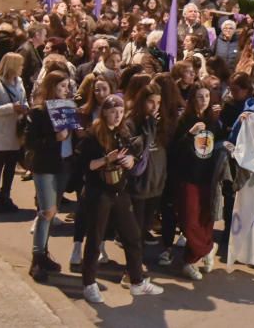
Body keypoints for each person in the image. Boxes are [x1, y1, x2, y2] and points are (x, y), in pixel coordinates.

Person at [77, 94, 163, 303]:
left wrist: (130, 161)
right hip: (98, 193)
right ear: (104, 112)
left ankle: (137, 281)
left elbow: (132, 158)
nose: (117, 116)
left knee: (132, 236)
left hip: (119, 191)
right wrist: (107, 159)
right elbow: (84, 165)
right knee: (95, 239)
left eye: (121, 112)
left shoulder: (123, 132)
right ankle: (89, 284)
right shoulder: (92, 135)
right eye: (113, 111)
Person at [26, 70, 76, 281]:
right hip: (45, 166)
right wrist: (53, 138)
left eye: (67, 86)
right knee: (46, 211)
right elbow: (30, 142)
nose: (65, 90)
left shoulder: (68, 108)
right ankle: (37, 259)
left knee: (53, 210)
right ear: (51, 87)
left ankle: (44, 253)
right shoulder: (39, 112)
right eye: (62, 86)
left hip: (63, 164)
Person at [173, 86, 222, 280]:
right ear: (192, 99)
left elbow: (219, 144)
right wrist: (190, 134)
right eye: (200, 96)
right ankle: (208, 248)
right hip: (187, 177)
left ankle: (190, 261)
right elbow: (174, 150)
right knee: (189, 220)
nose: (204, 100)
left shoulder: (214, 122)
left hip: (207, 178)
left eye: (207, 96)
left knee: (204, 220)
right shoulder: (184, 121)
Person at [127, 84, 168, 269]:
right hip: (138, 184)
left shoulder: (161, 121)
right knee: (135, 229)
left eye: (158, 102)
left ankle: (138, 260)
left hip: (156, 183)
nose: (155, 106)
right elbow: (135, 148)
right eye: (151, 102)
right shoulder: (131, 123)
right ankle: (133, 267)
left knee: (145, 228)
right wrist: (149, 126)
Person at [0, 52, 27, 214]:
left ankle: (6, 194)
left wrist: (25, 107)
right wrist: (11, 108)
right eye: (20, 65)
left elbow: (24, 99)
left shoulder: (19, 82)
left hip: (15, 130)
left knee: (10, 166)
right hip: (1, 132)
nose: (22, 68)